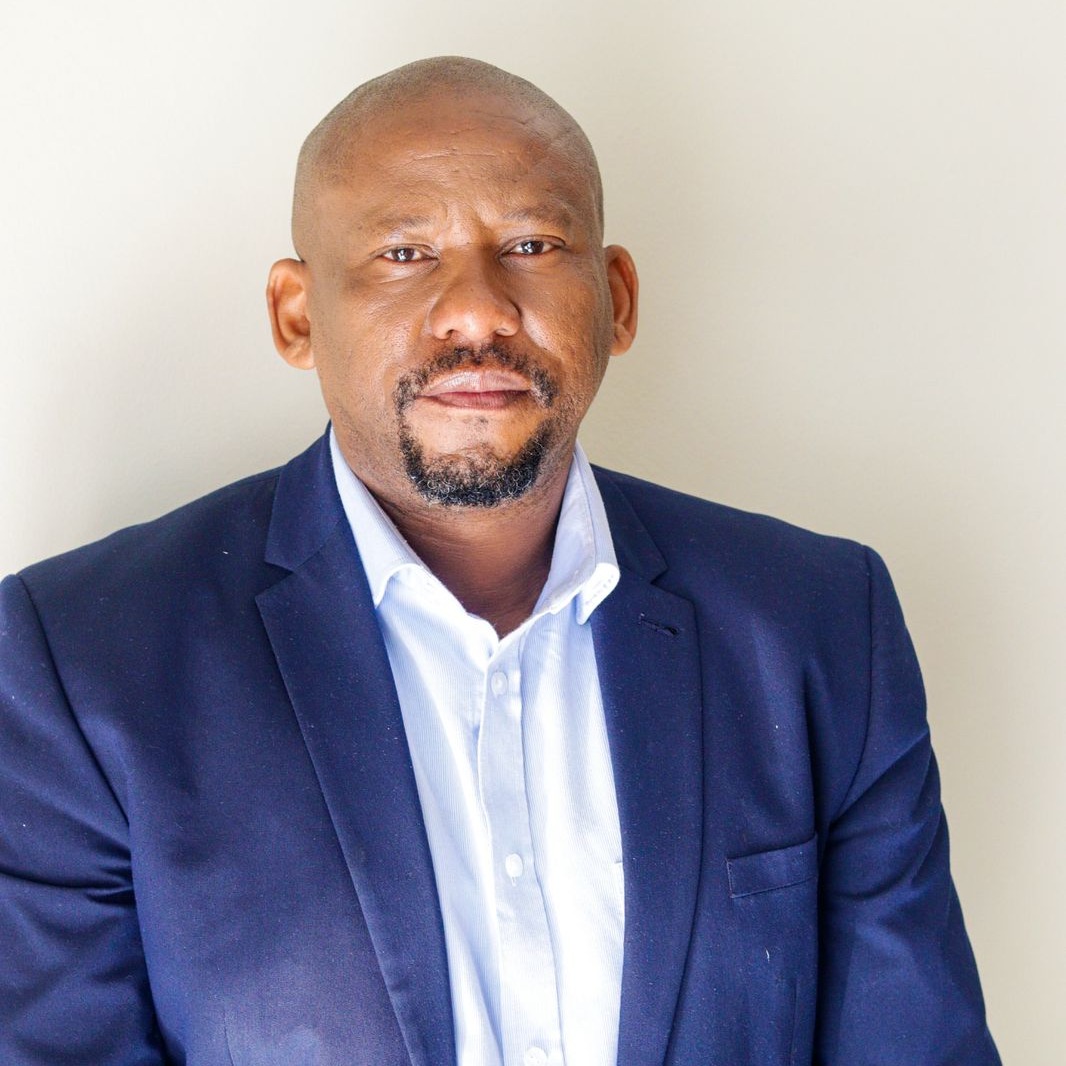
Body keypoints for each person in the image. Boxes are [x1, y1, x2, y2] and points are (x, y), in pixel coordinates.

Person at [0, 57, 999, 1066]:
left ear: (615, 298)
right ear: (297, 316)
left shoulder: (817, 625)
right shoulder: (80, 666)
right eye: (404, 252)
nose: (475, 312)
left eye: (530, 245)